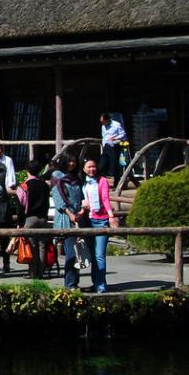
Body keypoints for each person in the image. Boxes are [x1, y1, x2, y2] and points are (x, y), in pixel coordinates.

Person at [50, 153, 86, 290]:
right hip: (65, 218)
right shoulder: (57, 176)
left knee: (79, 253)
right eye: (69, 161)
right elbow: (57, 197)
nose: (72, 164)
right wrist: (70, 213)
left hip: (78, 218)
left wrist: (81, 211)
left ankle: (74, 282)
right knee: (71, 252)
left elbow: (81, 196)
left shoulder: (76, 177)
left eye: (74, 161)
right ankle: (70, 284)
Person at [82, 159, 117, 293]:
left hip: (100, 220)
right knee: (92, 254)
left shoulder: (102, 181)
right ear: (84, 169)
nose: (92, 169)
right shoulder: (83, 182)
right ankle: (95, 281)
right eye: (89, 167)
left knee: (99, 254)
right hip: (88, 220)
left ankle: (101, 285)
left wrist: (111, 216)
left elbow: (105, 198)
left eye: (94, 166)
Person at [16, 159, 51, 279]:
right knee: (41, 245)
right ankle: (40, 272)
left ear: (27, 171)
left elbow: (21, 206)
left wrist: (20, 222)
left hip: (29, 219)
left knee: (31, 246)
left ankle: (32, 272)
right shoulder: (45, 185)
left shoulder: (24, 186)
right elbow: (46, 203)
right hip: (42, 218)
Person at [99, 112, 126, 181]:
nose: (102, 124)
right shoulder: (103, 127)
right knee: (102, 164)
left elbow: (123, 134)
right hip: (106, 146)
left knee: (114, 165)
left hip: (114, 146)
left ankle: (116, 182)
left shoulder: (116, 125)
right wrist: (104, 143)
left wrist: (115, 138)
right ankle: (103, 182)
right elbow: (104, 136)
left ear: (107, 120)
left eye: (103, 122)